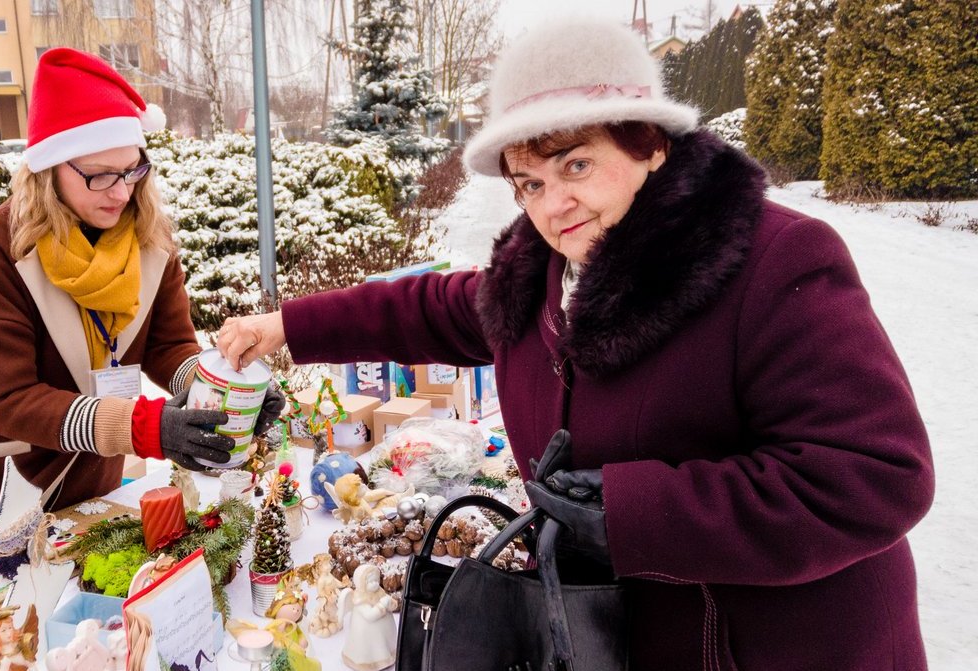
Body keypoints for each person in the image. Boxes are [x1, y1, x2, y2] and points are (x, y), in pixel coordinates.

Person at [217, 18, 934, 671]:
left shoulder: (775, 263)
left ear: (649, 144)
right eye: (529, 182)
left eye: (576, 166)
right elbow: (429, 308)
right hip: (620, 638)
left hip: (778, 648)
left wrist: (633, 512)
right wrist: (285, 325)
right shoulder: (542, 278)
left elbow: (877, 474)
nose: (550, 206)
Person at [0, 48, 283, 564]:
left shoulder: (149, 241)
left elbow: (168, 347)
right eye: (100, 175)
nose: (121, 193)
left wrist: (222, 388)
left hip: (88, 490)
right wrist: (141, 427)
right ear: (48, 169)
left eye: (132, 172)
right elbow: (6, 399)